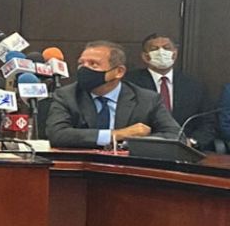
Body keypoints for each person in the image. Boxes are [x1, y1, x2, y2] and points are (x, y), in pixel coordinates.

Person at [46, 40, 180, 148]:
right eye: (81, 64)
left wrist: (133, 143)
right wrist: (118, 134)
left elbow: (175, 135)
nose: (84, 69)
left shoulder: (147, 99)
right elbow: (57, 134)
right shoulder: (67, 95)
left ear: (119, 72)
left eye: (93, 64)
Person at [125, 33, 215, 150]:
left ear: (175, 53)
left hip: (185, 149)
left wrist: (192, 142)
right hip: (141, 147)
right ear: (145, 56)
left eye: (166, 48)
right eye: (154, 49)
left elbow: (208, 122)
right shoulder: (129, 83)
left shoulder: (194, 85)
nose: (161, 52)